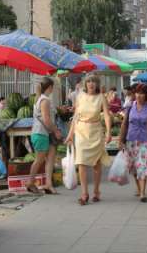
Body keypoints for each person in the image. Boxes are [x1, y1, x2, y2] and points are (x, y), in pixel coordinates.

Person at [65, 75, 111, 205]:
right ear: (85, 84)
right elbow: (75, 117)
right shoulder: (80, 97)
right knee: (81, 162)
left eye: (94, 82)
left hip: (96, 131)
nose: (91, 84)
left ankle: (96, 190)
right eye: (89, 81)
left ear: (97, 84)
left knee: (96, 163)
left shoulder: (101, 97)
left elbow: (107, 116)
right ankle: (84, 193)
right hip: (81, 131)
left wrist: (108, 132)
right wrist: (70, 135)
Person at [119, 84, 147, 202]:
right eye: (137, 93)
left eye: (142, 93)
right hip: (131, 140)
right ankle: (138, 187)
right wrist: (121, 140)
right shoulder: (130, 107)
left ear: (146, 95)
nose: (139, 95)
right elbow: (124, 124)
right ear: (134, 94)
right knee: (134, 167)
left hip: (145, 140)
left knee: (143, 166)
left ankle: (142, 192)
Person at [28, 77, 62, 194]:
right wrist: (56, 130)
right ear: (50, 87)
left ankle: (48, 184)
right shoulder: (44, 100)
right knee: (39, 160)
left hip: (45, 134)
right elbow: (46, 120)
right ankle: (30, 182)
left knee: (50, 159)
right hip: (41, 133)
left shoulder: (42, 99)